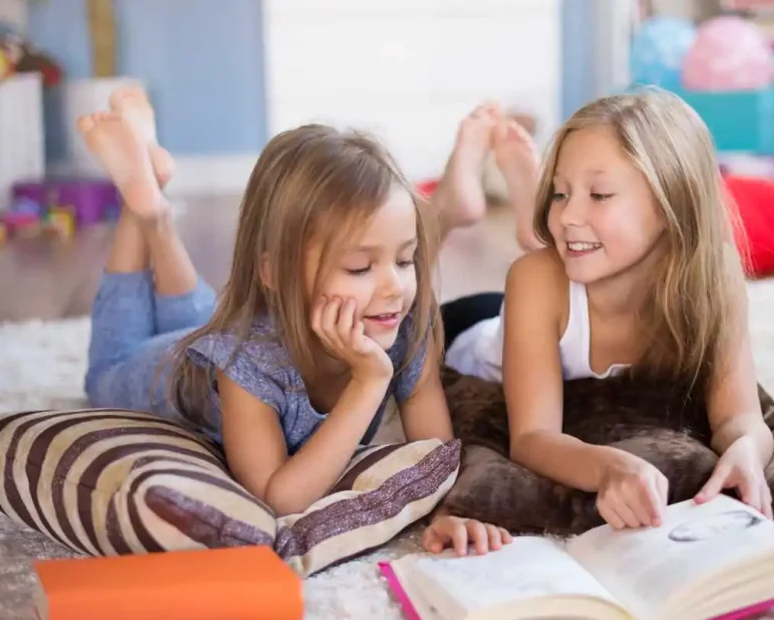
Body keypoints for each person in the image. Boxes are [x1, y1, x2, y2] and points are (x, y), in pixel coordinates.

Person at [79, 86, 513, 556]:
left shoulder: (407, 327)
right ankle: (142, 209)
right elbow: (277, 497)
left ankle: (155, 205)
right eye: (360, 268)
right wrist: (368, 384)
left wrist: (454, 512)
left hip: (226, 327)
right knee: (109, 363)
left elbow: (434, 455)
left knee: (198, 313)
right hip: (150, 367)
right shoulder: (245, 363)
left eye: (405, 261)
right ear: (273, 271)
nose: (394, 287)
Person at [444, 89, 774, 530]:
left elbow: (739, 415)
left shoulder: (714, 276)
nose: (566, 215)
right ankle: (451, 203)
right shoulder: (534, 280)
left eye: (599, 194)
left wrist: (746, 451)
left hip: (565, 278)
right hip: (476, 329)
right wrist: (608, 468)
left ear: (669, 203)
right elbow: (531, 438)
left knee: (560, 244)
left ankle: (530, 216)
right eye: (560, 194)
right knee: (413, 322)